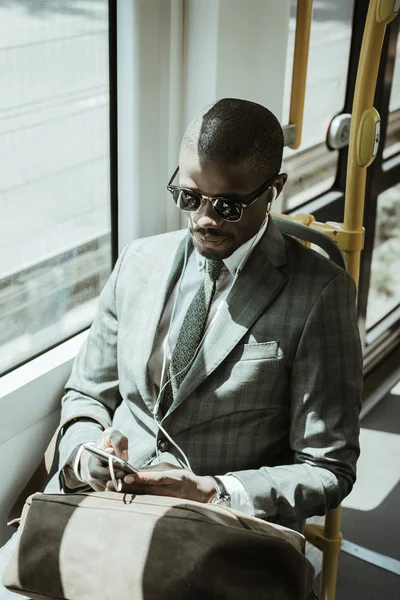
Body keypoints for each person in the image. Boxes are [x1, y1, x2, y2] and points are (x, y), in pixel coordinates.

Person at [0, 98, 362, 599]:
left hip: (217, 530)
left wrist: (214, 490)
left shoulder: (320, 295)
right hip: (104, 508)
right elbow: (87, 392)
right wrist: (87, 454)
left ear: (273, 191)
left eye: (228, 206)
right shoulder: (139, 262)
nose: (204, 220)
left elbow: (328, 467)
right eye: (189, 197)